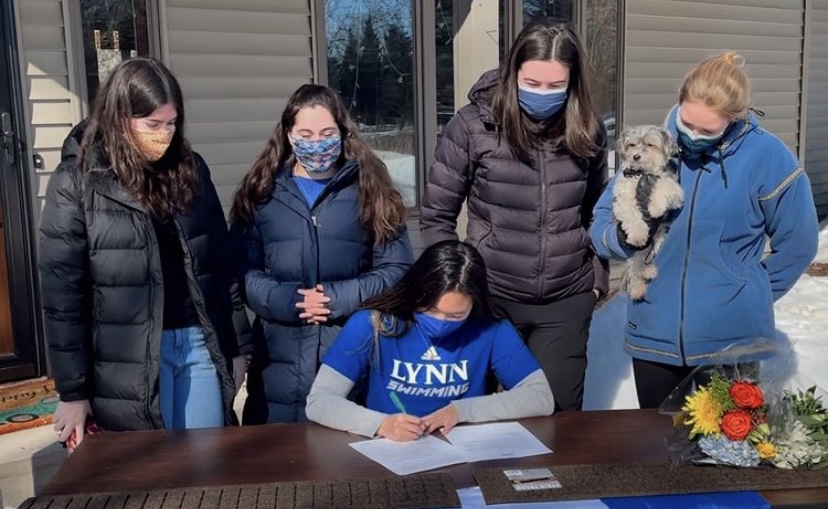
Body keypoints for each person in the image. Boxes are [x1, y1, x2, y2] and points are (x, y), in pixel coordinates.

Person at [40, 57, 252, 447]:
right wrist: (73, 391)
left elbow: (220, 267)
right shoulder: (77, 180)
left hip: (197, 344)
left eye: (171, 124)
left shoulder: (191, 169)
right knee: (151, 487)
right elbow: (62, 296)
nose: (164, 135)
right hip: (127, 360)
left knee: (209, 471)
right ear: (120, 118)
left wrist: (236, 349)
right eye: (153, 125)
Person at [589, 51, 820, 409]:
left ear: (735, 118)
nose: (692, 136)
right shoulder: (657, 148)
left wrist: (749, 291)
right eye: (687, 123)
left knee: (726, 457)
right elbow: (602, 221)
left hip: (730, 341)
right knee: (657, 451)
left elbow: (799, 244)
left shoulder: (768, 158)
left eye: (707, 130)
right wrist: (620, 240)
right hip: (655, 333)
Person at [419, 19, 609, 412]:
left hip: (564, 301)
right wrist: (455, 288)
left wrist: (596, 281)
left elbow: (596, 211)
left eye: (556, 85)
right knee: (468, 417)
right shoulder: (473, 126)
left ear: (572, 83)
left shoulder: (587, 128)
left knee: (556, 419)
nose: (543, 94)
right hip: (489, 299)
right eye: (532, 83)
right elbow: (437, 215)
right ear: (512, 74)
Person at [230, 84, 414, 424]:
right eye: (306, 133)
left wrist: (336, 298)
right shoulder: (262, 191)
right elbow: (242, 271)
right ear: (288, 134)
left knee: (350, 470)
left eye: (327, 133)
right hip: (277, 363)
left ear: (342, 133)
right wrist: (291, 300)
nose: (317, 143)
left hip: (351, 353)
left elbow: (396, 268)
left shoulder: (371, 187)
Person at [305, 241, 555, 440]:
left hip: (463, 446)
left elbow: (540, 397)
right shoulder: (373, 324)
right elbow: (320, 401)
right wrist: (380, 424)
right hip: (388, 447)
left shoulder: (491, 328)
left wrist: (463, 411)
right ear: (416, 293)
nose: (441, 321)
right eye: (430, 309)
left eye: (456, 315)